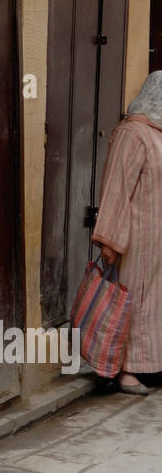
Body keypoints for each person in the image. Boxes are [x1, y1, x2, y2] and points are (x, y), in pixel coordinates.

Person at [90, 71, 162, 395]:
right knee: (132, 302)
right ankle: (124, 370)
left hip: (157, 238)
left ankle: (149, 365)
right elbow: (117, 188)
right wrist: (110, 239)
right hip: (137, 238)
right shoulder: (132, 133)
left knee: (154, 304)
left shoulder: (157, 134)